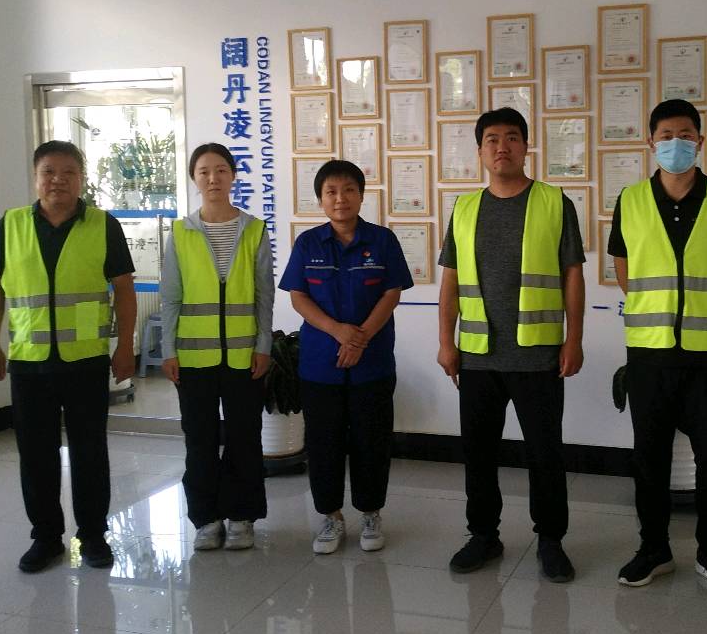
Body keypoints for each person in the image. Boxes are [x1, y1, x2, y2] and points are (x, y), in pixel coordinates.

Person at [437, 107, 585, 582]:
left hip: (538, 354)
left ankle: (551, 540)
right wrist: (446, 342)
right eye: (492, 139)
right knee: (478, 453)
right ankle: (483, 535)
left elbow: (572, 274)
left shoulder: (554, 202)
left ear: (525, 146)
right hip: (478, 354)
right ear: (480, 151)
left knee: (545, 452)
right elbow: (450, 280)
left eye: (512, 137)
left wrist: (574, 339)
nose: (502, 146)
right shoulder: (464, 208)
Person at [609, 99, 707, 594]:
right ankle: (654, 549)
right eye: (666, 135)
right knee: (649, 458)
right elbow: (623, 268)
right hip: (649, 352)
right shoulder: (630, 200)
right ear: (651, 142)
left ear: (701, 141)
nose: (676, 143)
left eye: (686, 134)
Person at [0, 140, 137, 573]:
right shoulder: (11, 224)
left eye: (68, 172)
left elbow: (124, 288)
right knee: (36, 456)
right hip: (29, 362)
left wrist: (125, 346)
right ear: (35, 178)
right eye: (49, 172)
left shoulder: (103, 225)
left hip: (85, 360)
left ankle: (93, 536)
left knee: (90, 453)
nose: (58, 180)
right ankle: (46, 538)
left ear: (81, 178)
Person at [279, 160, 413, 554]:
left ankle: (371, 513)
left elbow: (391, 293)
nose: (341, 198)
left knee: (372, 440)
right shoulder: (308, 243)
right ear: (321, 200)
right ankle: (330, 516)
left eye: (349, 190)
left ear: (361, 195)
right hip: (320, 365)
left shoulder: (382, 240)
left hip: (372, 362)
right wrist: (338, 332)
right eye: (331, 192)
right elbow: (298, 296)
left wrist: (360, 338)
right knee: (324, 443)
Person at [160, 142, 274, 552]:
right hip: (193, 356)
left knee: (245, 437)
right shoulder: (180, 233)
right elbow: (170, 297)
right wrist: (168, 349)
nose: (213, 178)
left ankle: (242, 516)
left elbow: (264, 295)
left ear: (233, 176)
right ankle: (206, 519)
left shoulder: (254, 229)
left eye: (221, 170)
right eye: (205, 171)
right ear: (194, 178)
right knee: (200, 440)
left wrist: (264, 345)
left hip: (245, 355)